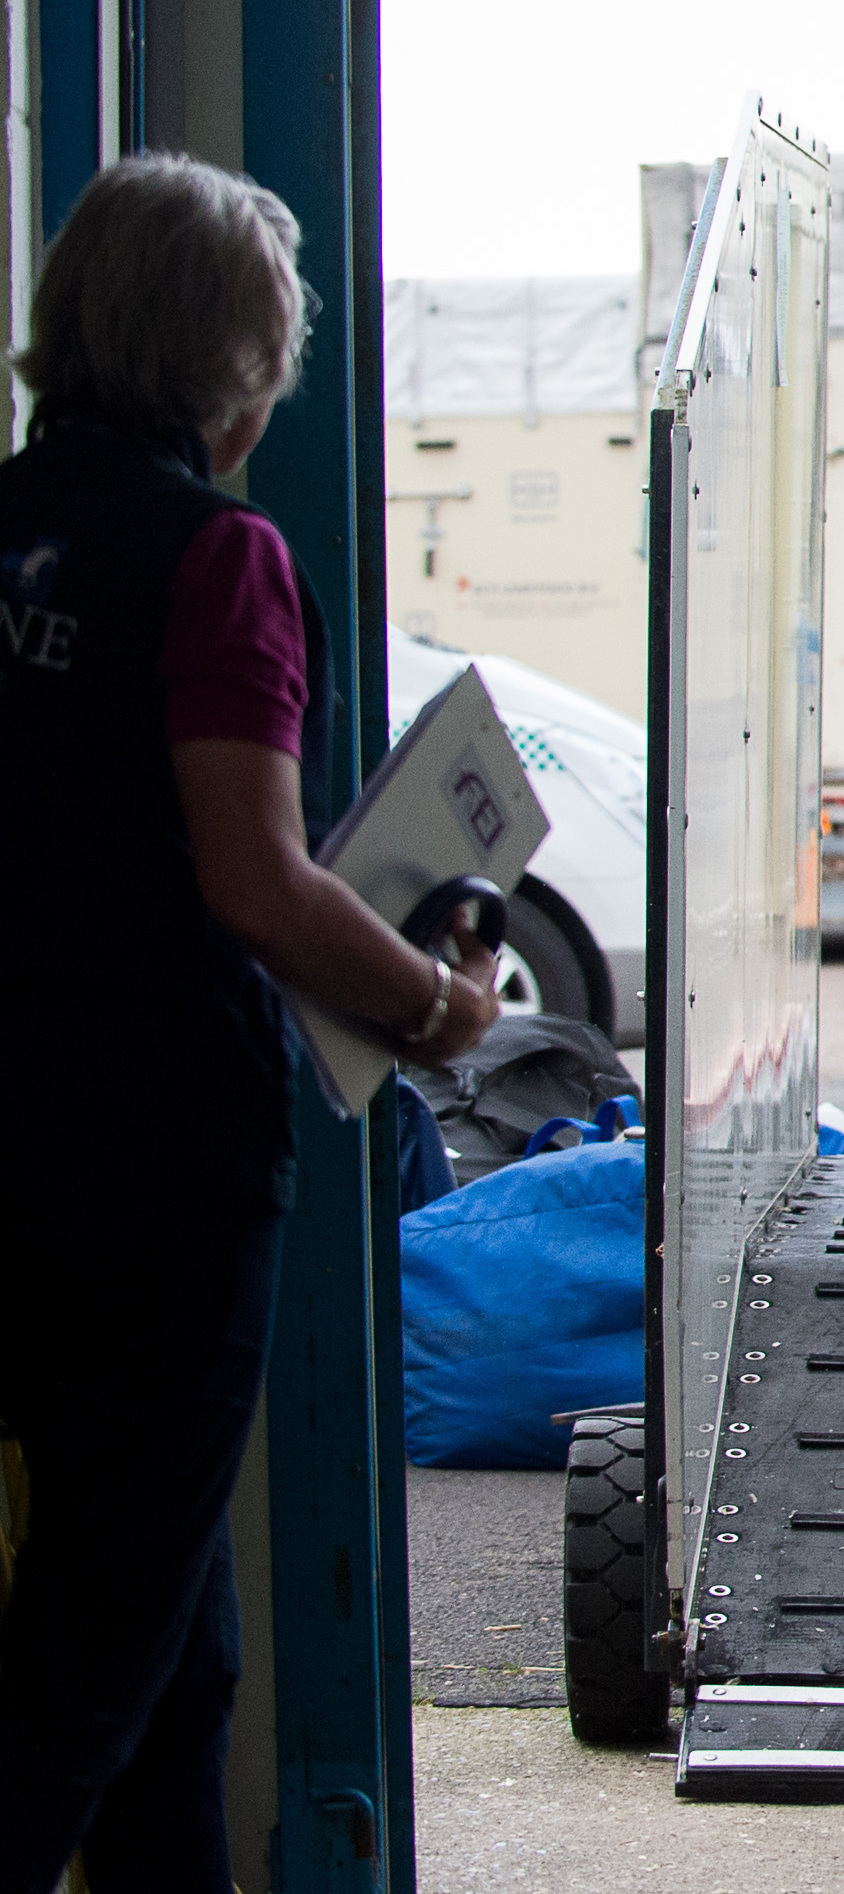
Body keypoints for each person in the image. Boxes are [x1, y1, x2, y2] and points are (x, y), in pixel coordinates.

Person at [0, 154, 500, 1891]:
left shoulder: (2, 523)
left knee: (171, 1650)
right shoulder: (220, 558)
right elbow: (257, 879)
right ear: (235, 363)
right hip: (153, 1162)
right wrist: (439, 1002)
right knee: (84, 1661)